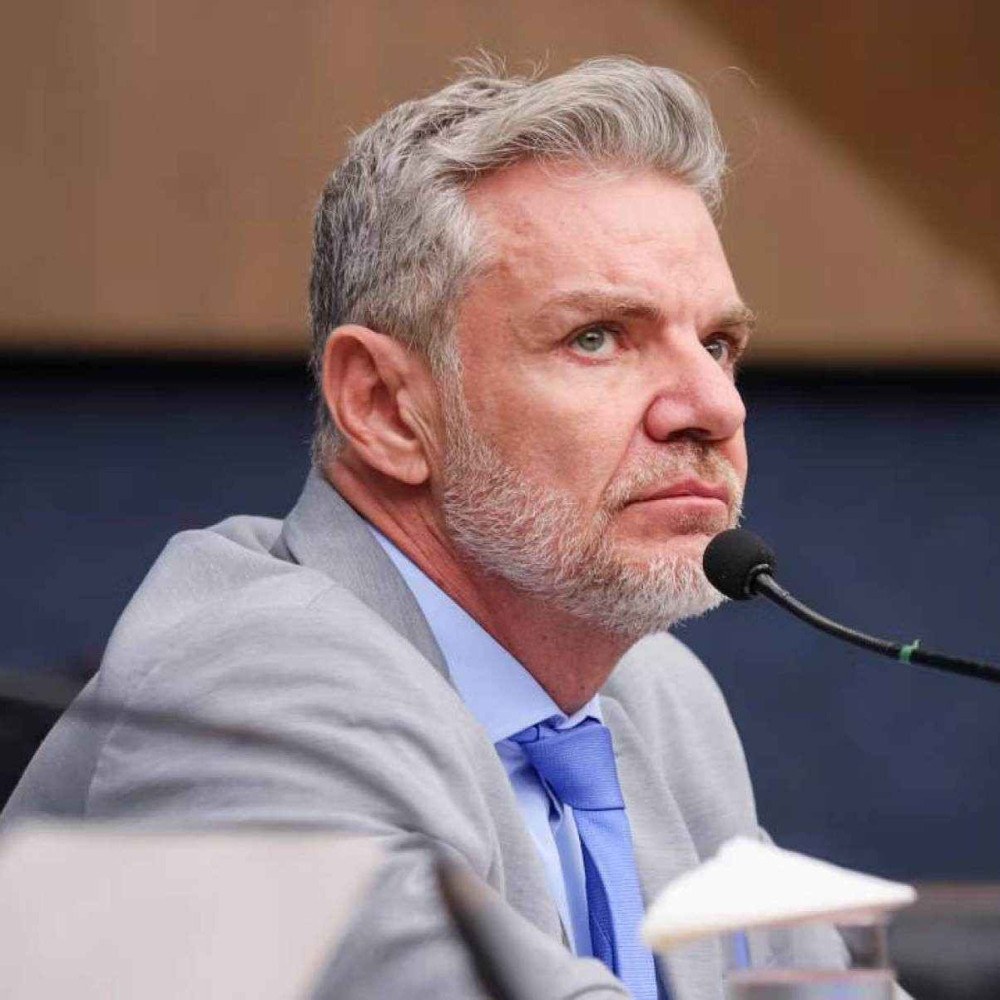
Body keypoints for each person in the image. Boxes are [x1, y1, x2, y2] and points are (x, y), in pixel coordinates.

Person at [3, 58, 847, 998]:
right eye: (597, 337)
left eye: (719, 345)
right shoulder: (245, 696)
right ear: (385, 408)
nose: (714, 408)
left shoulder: (655, 696)